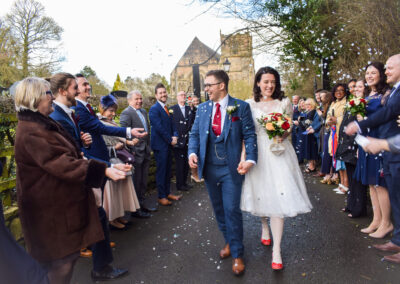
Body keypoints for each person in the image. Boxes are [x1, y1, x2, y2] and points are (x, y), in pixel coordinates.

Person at [13, 77, 128, 284]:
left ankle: (102, 267)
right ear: (35, 98)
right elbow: (61, 162)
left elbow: (67, 154)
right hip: (48, 211)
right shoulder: (32, 131)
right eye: (48, 94)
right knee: (60, 264)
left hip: (57, 206)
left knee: (66, 259)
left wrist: (106, 166)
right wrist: (103, 171)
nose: (51, 98)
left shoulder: (42, 124)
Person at [73, 74, 146, 281]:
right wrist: (128, 131)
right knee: (95, 211)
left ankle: (97, 249)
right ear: (73, 89)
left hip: (99, 163)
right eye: (84, 84)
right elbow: (100, 128)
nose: (89, 87)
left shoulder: (84, 107)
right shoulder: (78, 108)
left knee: (97, 212)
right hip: (93, 164)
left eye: (88, 83)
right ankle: (94, 254)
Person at [240, 67, 312, 271]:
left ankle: (277, 250)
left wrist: (283, 134)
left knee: (279, 197)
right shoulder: (248, 104)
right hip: (259, 154)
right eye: (265, 82)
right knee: (262, 194)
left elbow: (288, 126)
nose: (269, 85)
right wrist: (244, 156)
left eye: (273, 81)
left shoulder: (285, 103)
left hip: (280, 153)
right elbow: (247, 134)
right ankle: (264, 226)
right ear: (258, 83)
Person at [188, 70, 257, 275]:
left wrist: (251, 159)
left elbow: (250, 135)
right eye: (205, 85)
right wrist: (192, 152)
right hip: (209, 168)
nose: (205, 88)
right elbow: (194, 134)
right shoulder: (201, 109)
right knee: (218, 209)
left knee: (232, 210)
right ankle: (228, 240)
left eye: (209, 85)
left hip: (231, 168)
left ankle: (237, 253)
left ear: (222, 86)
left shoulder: (241, 107)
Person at [346, 54, 400, 264]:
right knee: (395, 195)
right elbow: (387, 113)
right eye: (384, 68)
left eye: (389, 68)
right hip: (387, 147)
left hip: (390, 145)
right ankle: (397, 240)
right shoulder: (395, 90)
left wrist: (362, 126)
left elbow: (388, 114)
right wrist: (360, 126)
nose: (386, 71)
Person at [352, 62, 392, 237]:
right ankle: (376, 219)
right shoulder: (368, 96)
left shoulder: (387, 95)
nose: (369, 76)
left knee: (380, 184)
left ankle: (386, 222)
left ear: (381, 75)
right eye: (367, 73)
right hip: (366, 143)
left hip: (380, 141)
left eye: (373, 73)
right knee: (371, 184)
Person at [98, 94, 141, 229]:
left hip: (119, 161)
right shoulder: (98, 123)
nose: (113, 113)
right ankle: (112, 220)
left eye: (114, 110)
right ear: (102, 109)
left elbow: (119, 137)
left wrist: (128, 142)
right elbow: (100, 146)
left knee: (120, 192)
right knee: (113, 193)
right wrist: (114, 148)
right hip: (111, 162)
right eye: (110, 110)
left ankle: (119, 216)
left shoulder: (112, 122)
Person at [120, 90, 156, 217]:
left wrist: (149, 147)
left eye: (140, 98)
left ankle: (142, 204)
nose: (140, 101)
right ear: (129, 100)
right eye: (136, 99)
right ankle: (135, 210)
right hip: (135, 153)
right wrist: (132, 149)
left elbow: (148, 131)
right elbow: (123, 133)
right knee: (136, 181)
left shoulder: (143, 111)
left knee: (143, 181)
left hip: (145, 151)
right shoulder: (126, 113)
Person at [149, 83, 182, 206]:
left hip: (168, 144)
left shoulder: (166, 108)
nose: (163, 94)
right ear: (156, 95)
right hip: (160, 145)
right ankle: (161, 196)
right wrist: (170, 139)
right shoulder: (154, 109)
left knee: (168, 170)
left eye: (164, 92)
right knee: (162, 171)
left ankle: (167, 193)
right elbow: (159, 128)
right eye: (160, 93)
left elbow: (173, 124)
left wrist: (175, 135)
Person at [326, 84, 348, 193]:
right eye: (336, 90)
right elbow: (328, 116)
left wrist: (336, 120)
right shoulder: (333, 103)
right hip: (333, 133)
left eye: (341, 90)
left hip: (341, 134)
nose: (339, 92)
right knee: (337, 158)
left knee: (343, 160)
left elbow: (346, 117)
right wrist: (328, 122)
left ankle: (346, 184)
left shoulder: (347, 103)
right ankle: (341, 183)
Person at [171, 91, 194, 191]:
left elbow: (193, 121)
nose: (183, 96)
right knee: (179, 164)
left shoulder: (190, 108)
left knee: (186, 163)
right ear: (177, 97)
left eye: (184, 95)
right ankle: (179, 185)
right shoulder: (172, 109)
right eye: (181, 95)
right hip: (177, 140)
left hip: (188, 140)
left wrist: (193, 107)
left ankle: (184, 182)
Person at [318, 91, 335, 184]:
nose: (320, 99)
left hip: (329, 131)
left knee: (329, 152)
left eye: (322, 97)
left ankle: (331, 174)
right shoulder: (323, 107)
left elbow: (325, 120)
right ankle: (327, 173)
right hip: (326, 131)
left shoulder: (330, 106)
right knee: (326, 152)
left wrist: (320, 114)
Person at [303, 98, 322, 173]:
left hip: (313, 133)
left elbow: (317, 122)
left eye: (309, 104)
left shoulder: (315, 112)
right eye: (306, 104)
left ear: (312, 104)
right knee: (309, 149)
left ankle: (312, 166)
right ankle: (312, 165)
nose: (307, 106)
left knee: (311, 150)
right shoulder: (308, 112)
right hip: (309, 132)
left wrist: (312, 127)